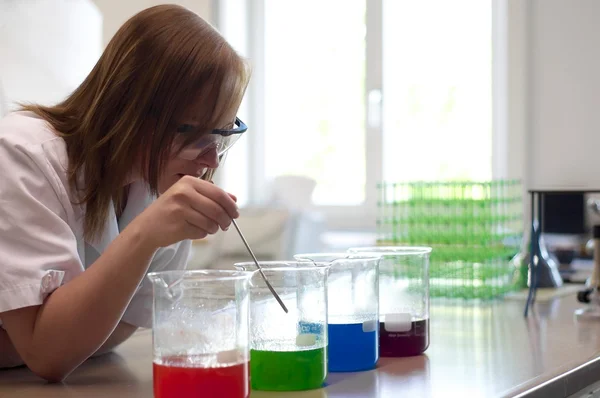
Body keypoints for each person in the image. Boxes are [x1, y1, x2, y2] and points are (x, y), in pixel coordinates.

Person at [0, 4, 250, 382]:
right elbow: (49, 356)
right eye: (195, 132)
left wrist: (39, 339)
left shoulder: (161, 185)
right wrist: (143, 235)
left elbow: (116, 329)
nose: (211, 159)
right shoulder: (23, 155)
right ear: (128, 107)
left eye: (221, 134)